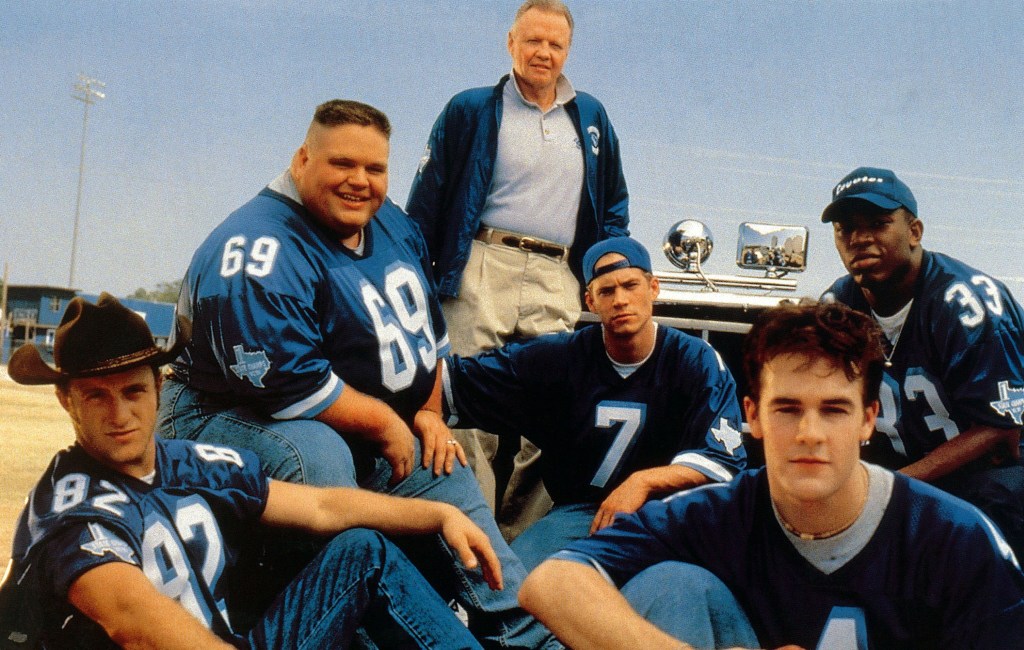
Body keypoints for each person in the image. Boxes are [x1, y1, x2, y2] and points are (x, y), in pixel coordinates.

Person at [157, 99, 554, 649]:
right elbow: (289, 385)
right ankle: (359, 625)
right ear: (302, 160)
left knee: (443, 466)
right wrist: (387, 423)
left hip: (340, 411)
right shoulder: (257, 247)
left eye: (374, 168)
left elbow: (429, 340)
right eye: (342, 163)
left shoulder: (392, 223)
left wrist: (428, 413)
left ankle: (528, 634)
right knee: (316, 455)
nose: (360, 182)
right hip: (221, 410)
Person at [0, 293, 497, 649]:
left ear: (158, 387)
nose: (119, 415)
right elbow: (133, 622)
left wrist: (438, 515)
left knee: (362, 552)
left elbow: (322, 505)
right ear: (66, 400)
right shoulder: (70, 507)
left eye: (133, 391)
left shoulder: (184, 461)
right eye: (96, 397)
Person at [519, 301, 1024, 649]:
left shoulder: (955, 537)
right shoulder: (719, 512)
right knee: (670, 585)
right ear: (752, 416)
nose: (809, 434)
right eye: (787, 408)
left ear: (868, 420)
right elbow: (552, 581)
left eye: (834, 410)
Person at [405, 0, 629, 538]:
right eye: (533, 41)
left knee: (556, 408)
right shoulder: (470, 109)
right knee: (463, 403)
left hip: (557, 272)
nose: (543, 53)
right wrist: (417, 279)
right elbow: (427, 201)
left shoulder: (591, 118)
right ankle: (471, 535)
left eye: (555, 44)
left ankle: (525, 543)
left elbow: (613, 205)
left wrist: (603, 273)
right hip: (481, 262)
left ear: (568, 51)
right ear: (511, 43)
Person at [442, 237, 745, 570]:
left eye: (630, 286)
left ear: (653, 288)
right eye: (607, 291)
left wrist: (642, 482)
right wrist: (429, 414)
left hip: (669, 514)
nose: (620, 300)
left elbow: (724, 460)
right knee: (518, 582)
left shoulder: (694, 358)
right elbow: (453, 380)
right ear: (590, 301)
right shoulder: (562, 356)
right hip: (582, 514)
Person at [820, 166, 1024, 557]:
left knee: (997, 503)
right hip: (908, 461)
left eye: (878, 224)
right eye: (846, 229)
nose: (859, 239)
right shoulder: (837, 306)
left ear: (914, 231)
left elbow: (1001, 428)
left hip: (991, 469)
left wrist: (889, 488)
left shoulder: (965, 302)